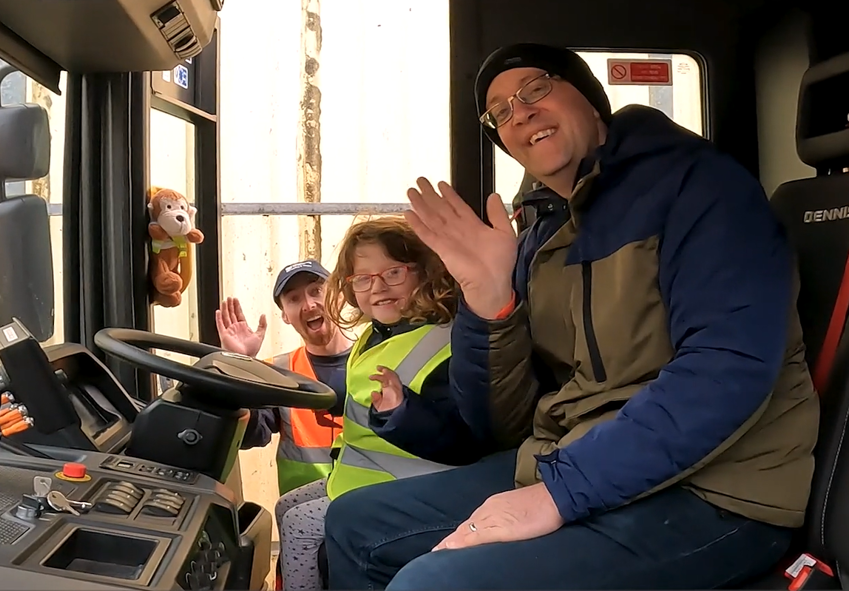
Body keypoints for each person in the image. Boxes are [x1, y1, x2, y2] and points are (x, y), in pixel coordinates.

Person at [323, 43, 820, 590]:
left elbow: (725, 371)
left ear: (587, 95)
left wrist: (562, 492)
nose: (522, 113)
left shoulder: (699, 187)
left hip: (720, 490)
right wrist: (488, 304)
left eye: (535, 89)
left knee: (433, 584)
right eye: (501, 112)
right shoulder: (539, 230)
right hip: (579, 457)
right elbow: (498, 425)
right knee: (353, 524)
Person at [274, 216, 494, 590]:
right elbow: (361, 401)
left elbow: (462, 440)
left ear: (423, 272)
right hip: (358, 476)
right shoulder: (375, 335)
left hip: (407, 488)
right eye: (363, 279)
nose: (377, 287)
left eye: (393, 273)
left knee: (298, 525)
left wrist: (401, 412)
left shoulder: (443, 344)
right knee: (284, 507)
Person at [215, 259, 353, 497]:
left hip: (367, 504)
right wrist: (240, 366)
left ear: (338, 296)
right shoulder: (277, 372)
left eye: (316, 291)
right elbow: (251, 437)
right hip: (302, 513)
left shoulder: (375, 359)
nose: (309, 305)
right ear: (286, 316)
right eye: (294, 299)